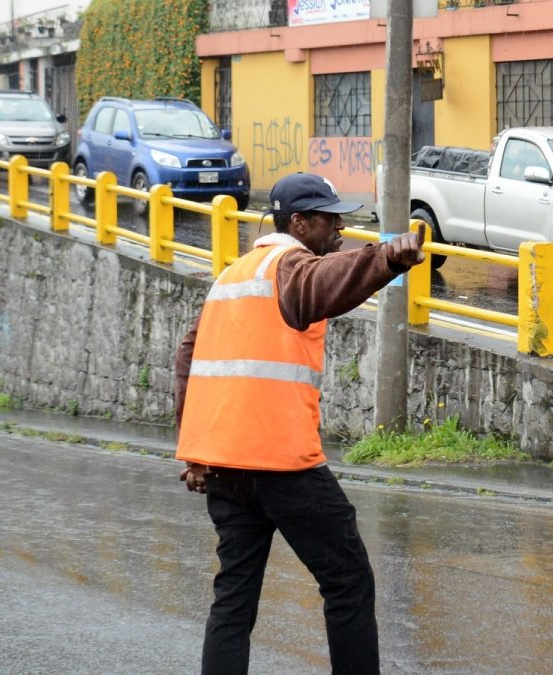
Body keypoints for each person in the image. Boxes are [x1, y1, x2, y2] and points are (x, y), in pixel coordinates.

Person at [173, 172, 427, 674]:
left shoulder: (230, 277)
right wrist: (386, 258)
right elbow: (325, 281)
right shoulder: (290, 267)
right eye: (330, 219)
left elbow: (189, 358)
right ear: (299, 223)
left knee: (233, 599)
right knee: (348, 581)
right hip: (283, 464)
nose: (339, 228)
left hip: (226, 469)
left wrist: (194, 453)